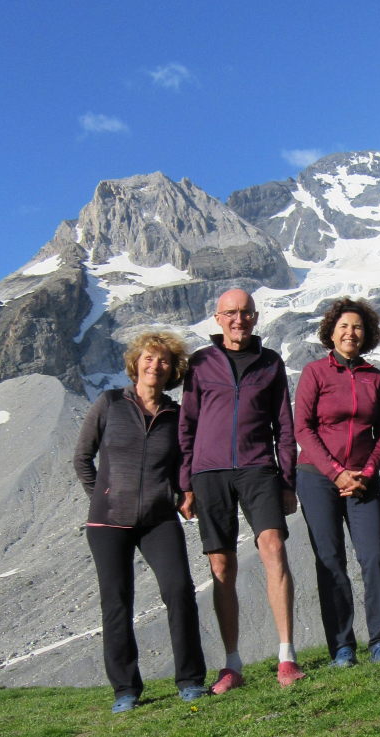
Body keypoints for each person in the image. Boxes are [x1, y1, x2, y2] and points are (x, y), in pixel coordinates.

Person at [73, 331, 207, 714]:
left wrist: (182, 494)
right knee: (117, 602)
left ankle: (190, 680)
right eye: (149, 358)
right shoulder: (110, 403)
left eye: (164, 360)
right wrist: (102, 496)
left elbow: (183, 466)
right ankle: (126, 690)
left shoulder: (175, 416)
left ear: (172, 370)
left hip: (158, 519)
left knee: (179, 590)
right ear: (136, 363)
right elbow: (82, 458)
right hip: (108, 523)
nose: (155, 365)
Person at [178, 288, 304, 692]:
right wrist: (185, 483)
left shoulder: (270, 362)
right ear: (218, 318)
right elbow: (187, 424)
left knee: (274, 547)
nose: (239, 320)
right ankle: (232, 664)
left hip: (258, 468)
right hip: (209, 472)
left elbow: (284, 426)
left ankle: (287, 657)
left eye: (246, 312)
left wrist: (287, 480)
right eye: (231, 313)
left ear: (255, 316)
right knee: (221, 565)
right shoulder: (200, 363)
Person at [294, 298, 380, 667]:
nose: (351, 332)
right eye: (344, 326)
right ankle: (342, 646)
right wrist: (335, 471)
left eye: (357, 327)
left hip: (364, 479)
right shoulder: (314, 373)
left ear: (366, 334)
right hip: (317, 478)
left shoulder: (375, 378)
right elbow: (302, 428)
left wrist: (366, 472)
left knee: (374, 558)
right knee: (330, 560)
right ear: (332, 332)